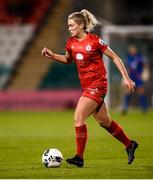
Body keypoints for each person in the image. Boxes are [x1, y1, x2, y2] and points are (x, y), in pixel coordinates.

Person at [41, 9, 138, 168]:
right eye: (68, 25)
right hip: (87, 87)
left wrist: (125, 77)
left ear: (80, 25)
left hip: (98, 85)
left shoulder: (95, 41)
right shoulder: (70, 43)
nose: (69, 28)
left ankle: (79, 157)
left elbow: (115, 57)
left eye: (71, 25)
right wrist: (52, 56)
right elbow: (67, 59)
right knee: (104, 121)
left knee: (78, 117)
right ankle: (129, 144)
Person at [122, 45, 148, 114]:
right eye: (131, 50)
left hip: (138, 78)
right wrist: (125, 77)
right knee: (127, 92)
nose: (132, 51)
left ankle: (144, 108)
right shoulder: (129, 58)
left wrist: (145, 72)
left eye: (133, 49)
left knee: (141, 92)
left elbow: (145, 65)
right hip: (131, 78)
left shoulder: (140, 57)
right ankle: (125, 108)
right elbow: (127, 68)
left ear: (135, 50)